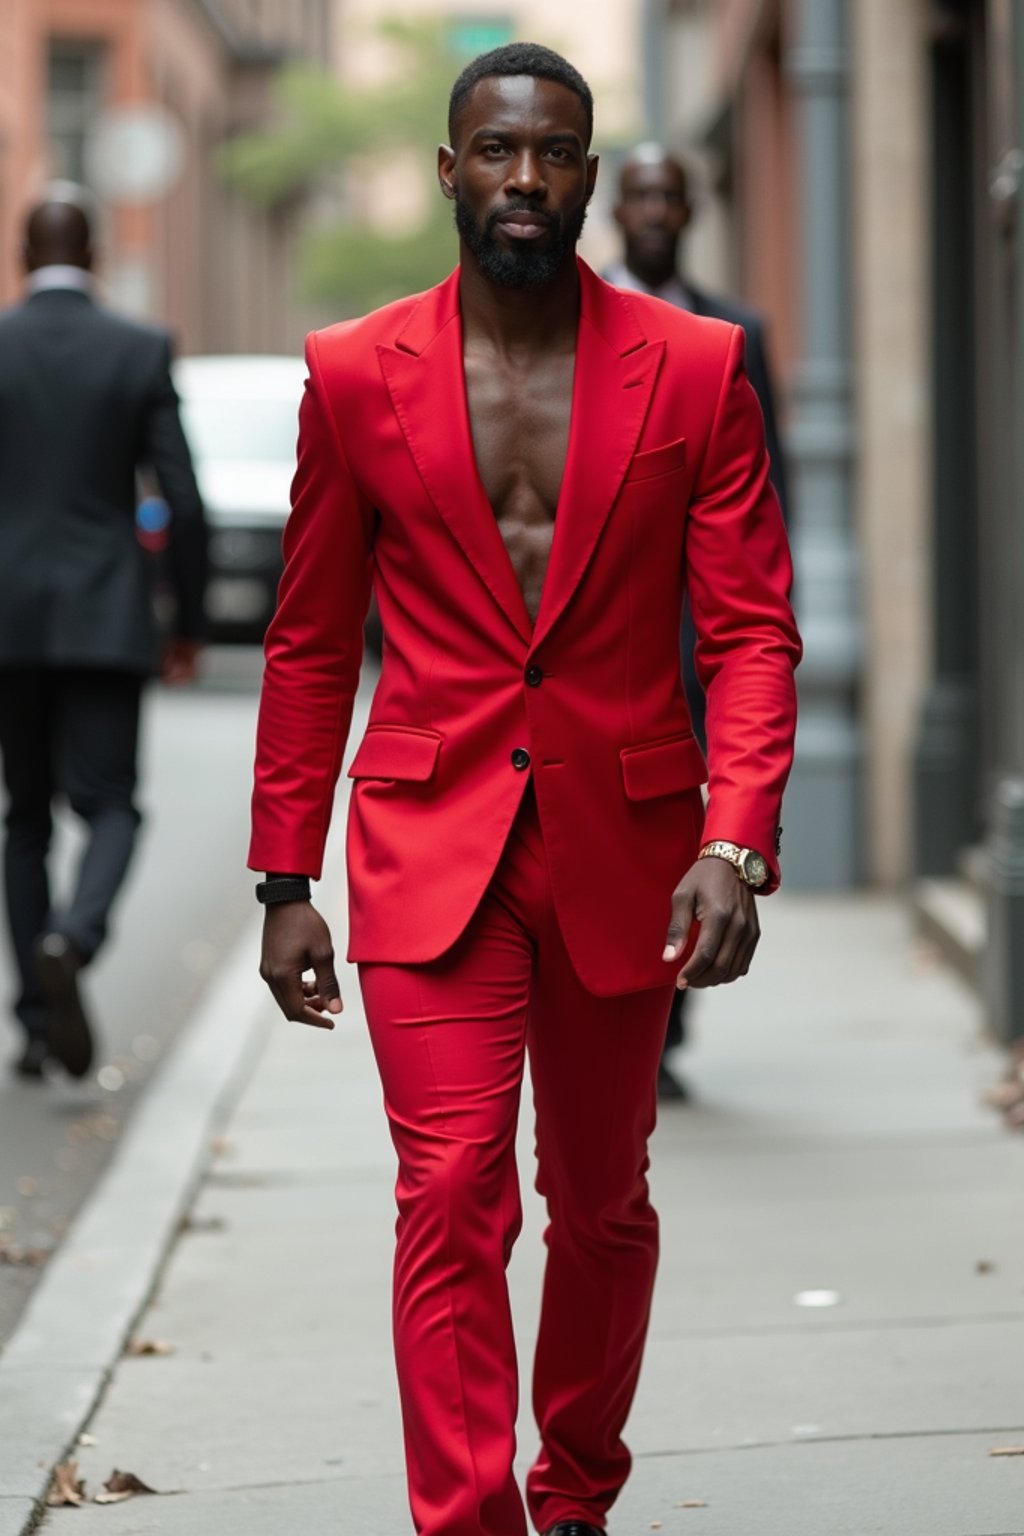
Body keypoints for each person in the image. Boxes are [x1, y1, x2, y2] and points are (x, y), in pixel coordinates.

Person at [250, 42, 800, 1536]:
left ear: (592, 175)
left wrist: (736, 842)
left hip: (627, 841)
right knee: (449, 1193)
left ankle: (575, 1498)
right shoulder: (356, 374)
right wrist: (282, 874)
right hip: (432, 840)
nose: (525, 181)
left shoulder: (692, 368)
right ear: (449, 170)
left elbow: (749, 629)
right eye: (496, 153)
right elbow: (308, 638)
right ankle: (469, 1521)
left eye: (555, 154)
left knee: (603, 1200)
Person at [0, 190, 208, 1081]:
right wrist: (187, 620)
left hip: (7, 616)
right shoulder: (137, 349)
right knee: (112, 803)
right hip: (105, 611)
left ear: (20, 254)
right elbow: (183, 498)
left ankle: (38, 1024)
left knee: (25, 821)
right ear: (93, 257)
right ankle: (75, 938)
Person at [607, 143, 791, 1100]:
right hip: (616, 641)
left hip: (704, 633)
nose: (651, 212)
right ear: (615, 206)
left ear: (688, 211)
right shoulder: (567, 323)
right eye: (637, 195)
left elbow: (773, 495)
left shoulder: (736, 330)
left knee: (697, 829)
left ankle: (668, 1022)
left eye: (667, 198)